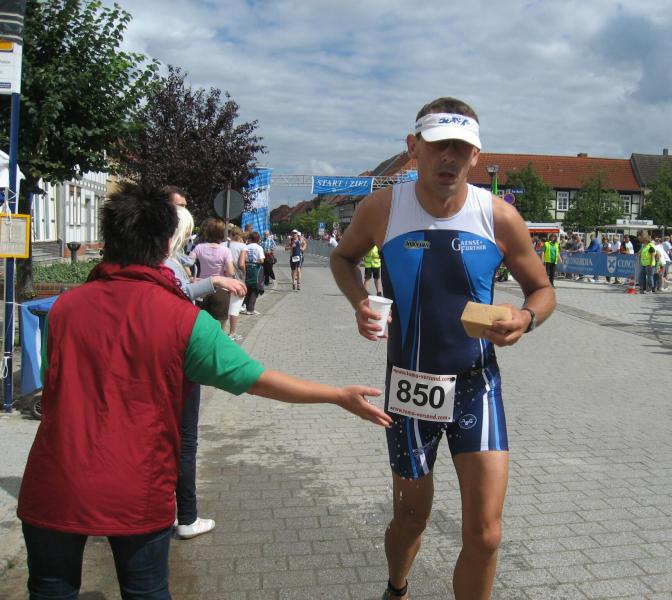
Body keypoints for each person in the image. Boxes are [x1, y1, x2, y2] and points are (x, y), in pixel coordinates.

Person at [16, 183, 392, 599]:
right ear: (166, 243)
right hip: (137, 488)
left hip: (54, 483)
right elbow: (256, 379)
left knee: (49, 591)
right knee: (145, 591)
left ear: (108, 240)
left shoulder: (65, 309)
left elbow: (53, 387)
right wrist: (336, 395)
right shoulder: (184, 320)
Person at [329, 97, 556, 600]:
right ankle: (397, 588)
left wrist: (526, 318)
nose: (449, 157)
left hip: (477, 384)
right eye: (438, 146)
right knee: (412, 519)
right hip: (411, 388)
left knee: (487, 534)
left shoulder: (498, 216)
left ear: (476, 155)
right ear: (414, 148)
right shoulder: (382, 208)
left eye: (461, 147)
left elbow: (543, 290)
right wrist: (360, 301)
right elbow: (343, 259)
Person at [165, 205, 246, 540]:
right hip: (178, 352)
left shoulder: (178, 256)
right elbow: (172, 293)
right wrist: (213, 281)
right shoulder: (165, 262)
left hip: (178, 338)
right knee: (185, 441)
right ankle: (186, 516)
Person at [189, 219, 235, 329]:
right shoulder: (225, 251)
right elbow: (230, 272)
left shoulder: (199, 247)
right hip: (220, 289)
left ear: (207, 232)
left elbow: (187, 262)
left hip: (203, 287)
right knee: (220, 324)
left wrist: (191, 276)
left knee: (202, 322)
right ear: (222, 233)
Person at [226, 226, 247, 340]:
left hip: (223, 278)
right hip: (236, 278)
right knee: (235, 306)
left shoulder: (223, 244)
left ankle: (221, 331)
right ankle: (232, 332)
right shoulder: (242, 246)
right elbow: (241, 264)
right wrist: (244, 274)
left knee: (224, 306)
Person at [244, 231, 266, 315]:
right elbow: (261, 260)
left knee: (248, 287)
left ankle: (246, 307)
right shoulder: (259, 247)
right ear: (258, 239)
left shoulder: (246, 246)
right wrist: (255, 261)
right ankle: (251, 309)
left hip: (246, 267)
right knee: (255, 288)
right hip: (255, 268)